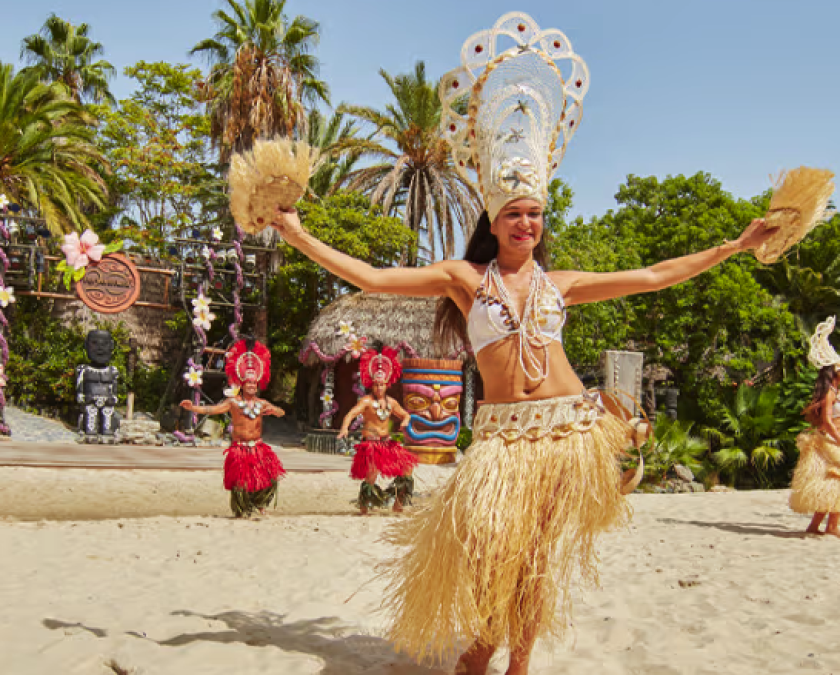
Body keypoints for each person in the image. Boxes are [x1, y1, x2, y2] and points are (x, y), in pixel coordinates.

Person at [269, 12, 777, 674]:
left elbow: (652, 276)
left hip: (567, 433)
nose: (527, 223)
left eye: (535, 213)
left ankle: (520, 664)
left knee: (538, 560)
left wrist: (733, 246)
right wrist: (300, 235)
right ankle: (478, 655)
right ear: (494, 219)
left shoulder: (562, 283)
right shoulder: (463, 278)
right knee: (489, 555)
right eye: (514, 213)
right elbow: (372, 276)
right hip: (503, 441)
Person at [180, 339, 286, 518]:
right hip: (239, 448)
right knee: (240, 484)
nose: (251, 386)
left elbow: (281, 413)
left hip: (258, 448)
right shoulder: (234, 402)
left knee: (270, 479)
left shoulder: (262, 403)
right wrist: (193, 408)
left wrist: (274, 410)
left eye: (254, 384)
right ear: (242, 386)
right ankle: (242, 510)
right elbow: (212, 409)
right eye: (248, 383)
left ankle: (259, 504)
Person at [337, 346, 418, 514]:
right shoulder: (366, 401)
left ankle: (398, 503)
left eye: (382, 385)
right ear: (372, 385)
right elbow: (350, 414)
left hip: (387, 443)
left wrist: (405, 421)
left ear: (387, 385)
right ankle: (364, 506)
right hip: (371, 444)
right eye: (376, 385)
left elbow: (406, 415)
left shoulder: (392, 403)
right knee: (372, 475)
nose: (379, 387)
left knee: (407, 468)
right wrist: (345, 428)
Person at [791, 317, 840, 536]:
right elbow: (827, 421)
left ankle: (820, 526)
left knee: (831, 485)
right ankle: (828, 526)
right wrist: (838, 439)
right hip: (831, 439)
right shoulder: (830, 392)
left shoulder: (834, 391)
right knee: (833, 483)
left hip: (833, 438)